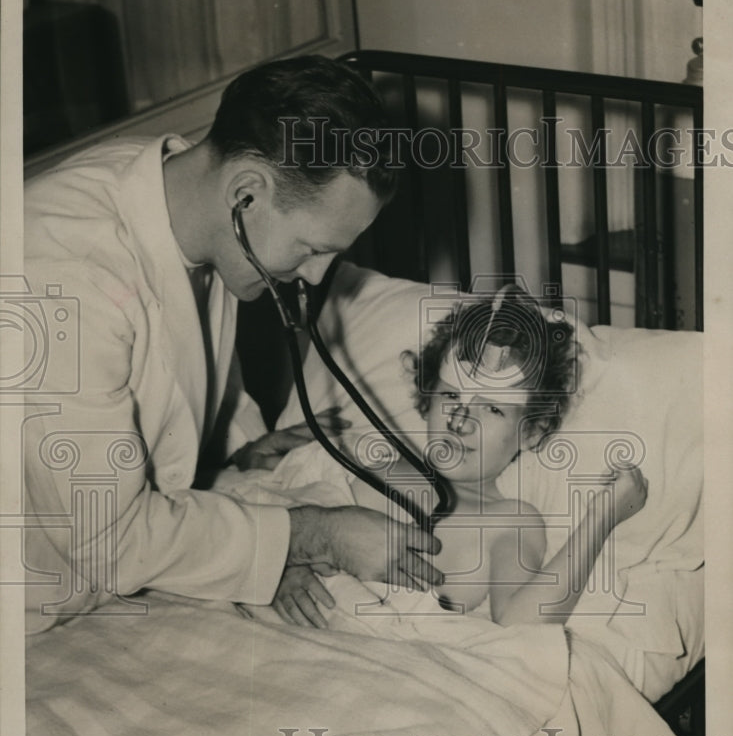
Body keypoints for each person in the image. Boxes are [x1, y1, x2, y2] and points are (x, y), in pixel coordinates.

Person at [22, 55, 441, 633]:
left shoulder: (189, 205)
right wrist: (310, 533)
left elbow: (190, 405)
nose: (318, 279)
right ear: (247, 192)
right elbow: (110, 538)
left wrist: (250, 459)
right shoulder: (66, 275)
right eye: (312, 248)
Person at [274, 285, 648, 629]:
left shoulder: (508, 522)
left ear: (532, 431)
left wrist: (601, 518)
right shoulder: (368, 460)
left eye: (494, 409)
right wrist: (276, 566)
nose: (461, 421)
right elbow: (264, 510)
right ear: (427, 398)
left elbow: (521, 625)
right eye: (451, 396)